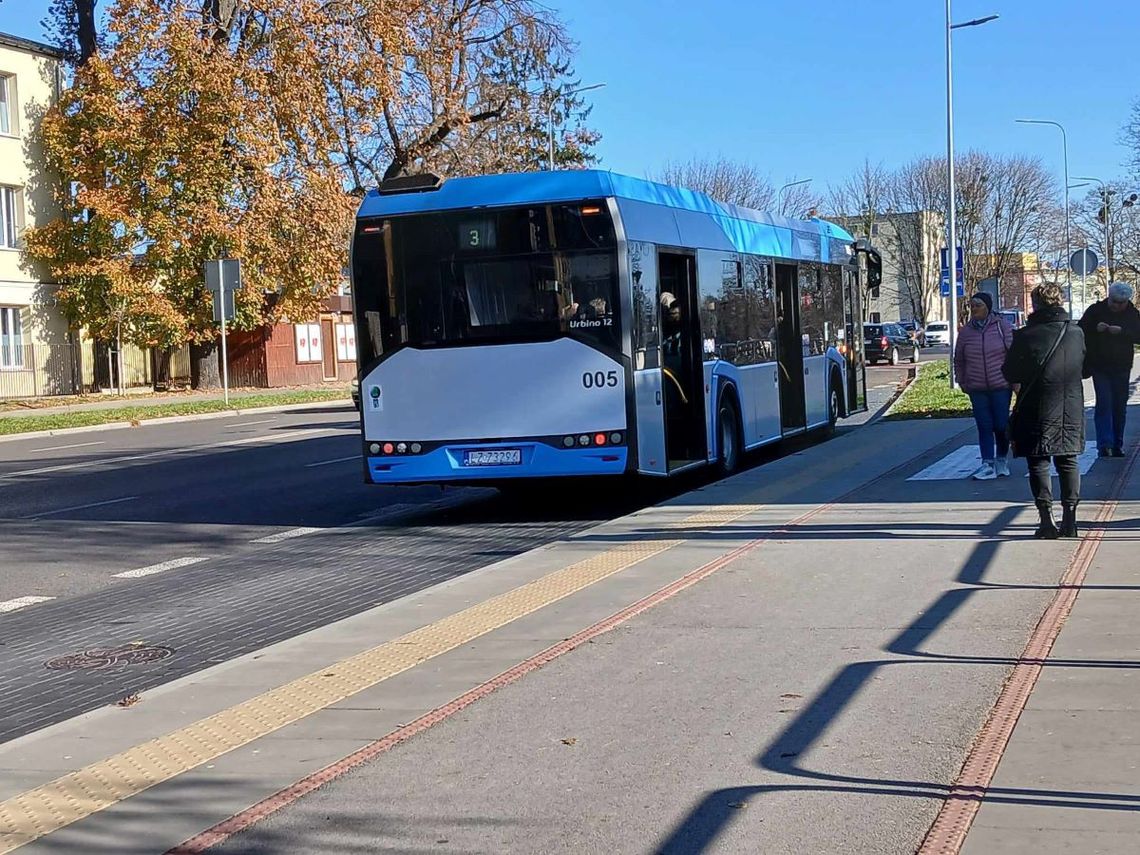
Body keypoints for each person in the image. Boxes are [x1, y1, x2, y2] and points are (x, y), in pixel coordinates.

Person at [1002, 282, 1086, 539]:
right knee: (1068, 460)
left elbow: (1010, 371)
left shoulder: (1026, 335)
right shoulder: (1076, 333)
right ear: (1061, 302)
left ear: (1035, 304)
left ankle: (1046, 521)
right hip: (1069, 404)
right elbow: (1085, 366)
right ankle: (1070, 521)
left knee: (1038, 461)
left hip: (1035, 405)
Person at [954, 292, 1014, 480]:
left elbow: (1012, 355)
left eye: (978, 306)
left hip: (1000, 385)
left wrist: (1015, 380)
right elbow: (959, 359)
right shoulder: (965, 332)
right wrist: (961, 380)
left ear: (988, 307)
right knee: (984, 425)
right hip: (977, 387)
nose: (974, 309)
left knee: (1001, 424)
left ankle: (1002, 460)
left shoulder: (1001, 327)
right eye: (971, 306)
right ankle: (987, 462)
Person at [1078, 281, 1140, 457]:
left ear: (1127, 302)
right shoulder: (1096, 310)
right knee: (1104, 403)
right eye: (1113, 301)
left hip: (1121, 366)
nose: (1116, 306)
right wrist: (1094, 329)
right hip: (1100, 365)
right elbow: (1080, 330)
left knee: (1119, 405)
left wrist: (1122, 331)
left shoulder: (1132, 314)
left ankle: (1117, 443)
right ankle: (1105, 444)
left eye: (1121, 303)